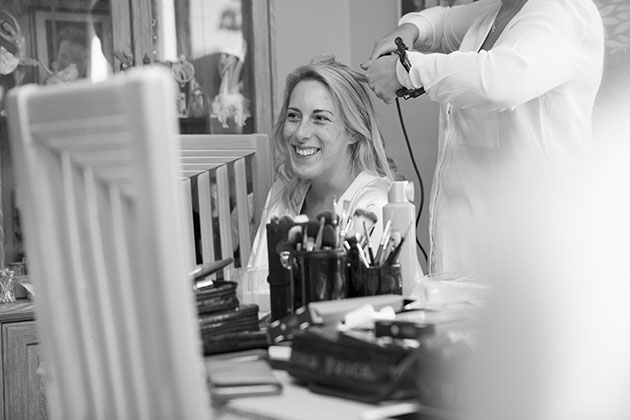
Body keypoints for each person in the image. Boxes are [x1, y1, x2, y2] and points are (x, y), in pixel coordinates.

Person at [362, 0, 604, 278]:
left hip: (538, 252)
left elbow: (501, 80)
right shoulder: (492, 13)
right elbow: (439, 22)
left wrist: (405, 70)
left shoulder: (562, 11)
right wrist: (408, 29)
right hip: (467, 256)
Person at [247, 55, 397, 269]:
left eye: (320, 118)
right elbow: (258, 284)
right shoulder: (283, 193)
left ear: (353, 132)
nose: (300, 133)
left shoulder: (377, 205)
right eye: (293, 116)